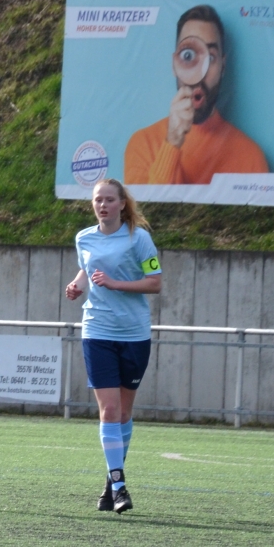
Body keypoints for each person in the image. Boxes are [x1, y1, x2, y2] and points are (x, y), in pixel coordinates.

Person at [65, 178, 162, 514]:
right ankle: (120, 486)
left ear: (122, 203)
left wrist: (115, 283)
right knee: (108, 410)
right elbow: (86, 270)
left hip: (134, 334)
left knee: (122, 413)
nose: (102, 205)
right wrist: (77, 285)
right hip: (97, 331)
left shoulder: (139, 238)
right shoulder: (84, 238)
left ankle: (110, 483)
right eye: (98, 200)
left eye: (109, 200)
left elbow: (155, 283)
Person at [123, 5, 268, 186]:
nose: (200, 71)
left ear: (223, 67)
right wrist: (172, 143)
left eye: (211, 57)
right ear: (174, 65)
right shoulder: (142, 145)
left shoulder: (252, 158)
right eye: (188, 55)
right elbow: (144, 206)